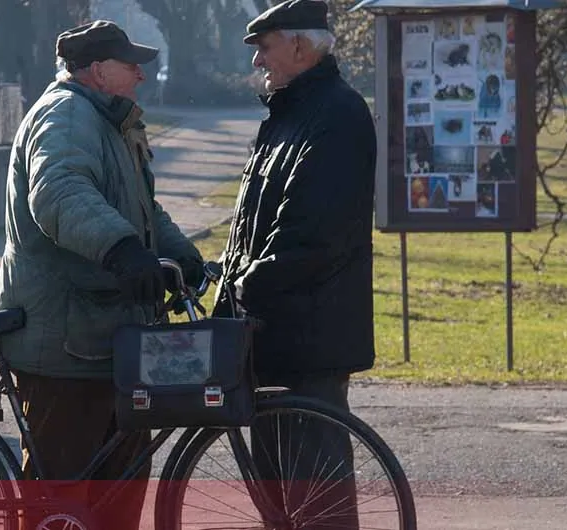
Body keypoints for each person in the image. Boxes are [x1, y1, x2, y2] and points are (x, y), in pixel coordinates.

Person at [0, 19, 205, 530]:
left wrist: (185, 258)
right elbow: (60, 194)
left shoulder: (108, 120)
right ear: (96, 70)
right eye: (131, 64)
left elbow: (142, 211)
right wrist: (124, 252)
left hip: (107, 339)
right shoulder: (66, 116)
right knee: (59, 502)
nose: (141, 75)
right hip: (65, 345)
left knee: (114, 496)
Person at [212, 0, 377, 527]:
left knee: (317, 506)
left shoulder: (337, 116)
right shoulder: (291, 113)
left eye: (264, 47)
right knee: (282, 507)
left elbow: (311, 237)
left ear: (300, 47)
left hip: (309, 341)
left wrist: (242, 286)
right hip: (273, 338)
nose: (258, 62)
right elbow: (253, 226)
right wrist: (227, 280)